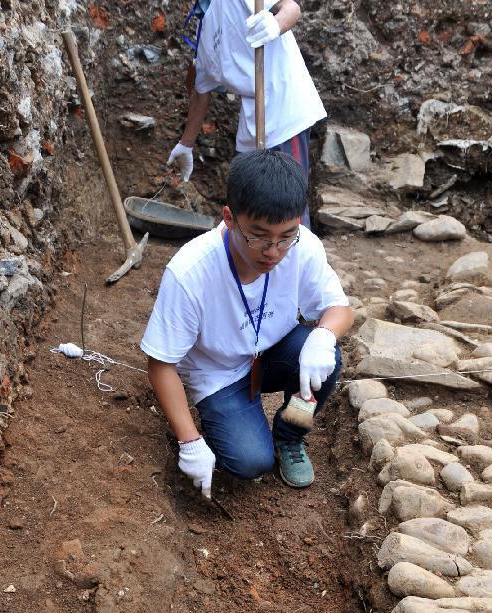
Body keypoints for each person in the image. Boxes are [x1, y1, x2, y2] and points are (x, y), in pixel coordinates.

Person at [140, 150, 353, 498]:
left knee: (325, 361)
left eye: (285, 237)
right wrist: (189, 440)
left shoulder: (303, 246)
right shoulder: (191, 272)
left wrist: (324, 335)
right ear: (229, 218)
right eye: (259, 236)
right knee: (250, 461)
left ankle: (290, 435)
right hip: (219, 374)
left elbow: (339, 309)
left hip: (272, 353)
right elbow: (160, 364)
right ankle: (224, 424)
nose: (273, 251)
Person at [167, 0, 325, 228]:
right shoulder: (208, 25)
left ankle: (295, 262)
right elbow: (202, 91)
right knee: (246, 209)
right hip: (252, 119)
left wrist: (274, 25)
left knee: (287, 208)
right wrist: (186, 144)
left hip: (284, 109)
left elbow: (291, 7)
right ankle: (251, 262)